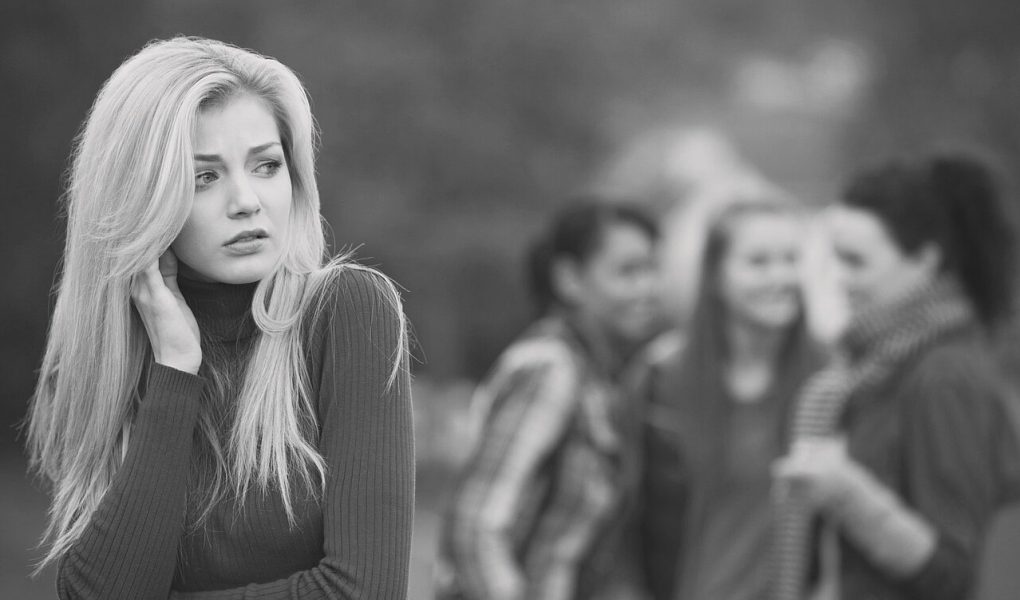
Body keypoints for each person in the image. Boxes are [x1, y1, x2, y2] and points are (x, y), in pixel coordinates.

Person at [25, 37, 414, 599]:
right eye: (204, 177)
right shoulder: (111, 359)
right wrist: (175, 370)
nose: (247, 201)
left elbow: (364, 591)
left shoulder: (347, 313)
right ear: (142, 198)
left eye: (267, 165)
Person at [771, 152, 1020, 600]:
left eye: (855, 261)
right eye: (833, 259)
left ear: (924, 259)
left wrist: (845, 493)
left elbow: (956, 573)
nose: (838, 279)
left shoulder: (944, 376)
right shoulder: (876, 367)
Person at [435, 200, 661, 600]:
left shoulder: (598, 376)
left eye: (652, 270)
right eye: (628, 272)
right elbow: (474, 524)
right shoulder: (551, 367)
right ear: (569, 279)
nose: (648, 289)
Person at [638, 196, 824, 600]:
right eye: (759, 262)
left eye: (791, 259)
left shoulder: (827, 378)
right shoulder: (661, 377)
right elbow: (627, 515)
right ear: (716, 276)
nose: (782, 276)